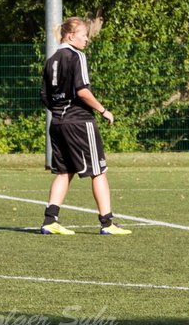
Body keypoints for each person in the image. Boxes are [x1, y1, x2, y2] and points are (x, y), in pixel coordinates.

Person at [39, 17, 130, 236]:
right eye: (83, 35)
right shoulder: (76, 56)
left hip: (58, 123)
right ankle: (107, 223)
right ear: (71, 36)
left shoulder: (51, 59)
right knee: (99, 171)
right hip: (79, 121)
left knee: (64, 172)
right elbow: (82, 90)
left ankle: (50, 220)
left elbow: (44, 95)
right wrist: (103, 110)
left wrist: (59, 112)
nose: (87, 39)